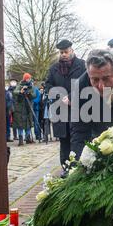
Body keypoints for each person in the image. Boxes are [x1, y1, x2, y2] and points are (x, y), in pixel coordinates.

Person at [45, 39, 86, 175]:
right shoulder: (53, 68)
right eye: (61, 52)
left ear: (72, 51)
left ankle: (77, 168)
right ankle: (65, 168)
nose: (63, 54)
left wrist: (72, 96)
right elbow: (48, 86)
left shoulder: (82, 65)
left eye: (66, 52)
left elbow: (86, 84)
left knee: (78, 140)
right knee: (64, 142)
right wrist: (60, 96)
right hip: (61, 111)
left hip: (79, 109)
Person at [13, 73, 35, 146]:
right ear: (25, 78)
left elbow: (34, 95)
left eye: (29, 78)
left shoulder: (31, 86)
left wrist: (29, 93)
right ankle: (21, 139)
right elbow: (14, 92)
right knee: (20, 124)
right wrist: (20, 91)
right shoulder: (20, 85)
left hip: (28, 107)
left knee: (28, 123)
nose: (29, 79)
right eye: (28, 78)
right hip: (20, 108)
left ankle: (28, 138)